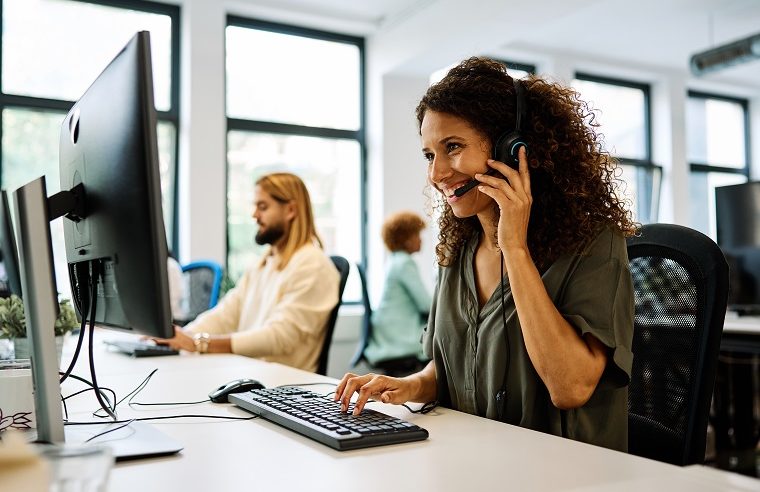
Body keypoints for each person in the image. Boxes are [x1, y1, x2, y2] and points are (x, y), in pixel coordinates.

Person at [336, 57, 637, 452]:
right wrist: (409, 385)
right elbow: (458, 370)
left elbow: (571, 387)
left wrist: (514, 247)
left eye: (453, 147)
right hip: (473, 458)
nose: (436, 173)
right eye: (430, 155)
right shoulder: (458, 248)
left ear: (512, 150)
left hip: (562, 471)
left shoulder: (592, 243)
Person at [155, 172, 340, 373]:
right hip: (250, 374)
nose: (254, 215)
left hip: (282, 386)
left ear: (291, 210)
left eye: (263, 207)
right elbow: (226, 314)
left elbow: (279, 336)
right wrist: (178, 337)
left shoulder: (312, 264)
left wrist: (200, 343)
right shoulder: (263, 263)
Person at [363, 211, 431, 374]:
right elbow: (426, 305)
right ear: (405, 239)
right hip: (401, 337)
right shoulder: (405, 263)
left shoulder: (393, 261)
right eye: (416, 234)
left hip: (386, 334)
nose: (421, 239)